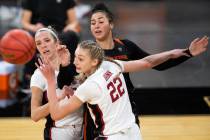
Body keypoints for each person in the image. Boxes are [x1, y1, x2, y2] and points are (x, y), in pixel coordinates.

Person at [36, 39, 208, 139]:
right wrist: (184, 51)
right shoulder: (111, 64)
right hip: (133, 131)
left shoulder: (89, 87)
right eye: (76, 57)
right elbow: (148, 62)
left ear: (94, 61)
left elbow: (57, 114)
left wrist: (51, 82)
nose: (75, 62)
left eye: (80, 59)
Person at [89, 3, 209, 127]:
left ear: (111, 24)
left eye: (100, 22)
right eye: (93, 23)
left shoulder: (126, 46)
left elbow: (158, 65)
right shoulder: (88, 52)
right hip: (102, 113)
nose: (96, 26)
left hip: (127, 110)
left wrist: (189, 53)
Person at [31, 27, 83, 140]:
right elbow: (35, 115)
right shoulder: (38, 75)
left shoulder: (75, 65)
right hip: (58, 131)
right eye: (38, 43)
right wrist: (58, 98)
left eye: (47, 40)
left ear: (57, 43)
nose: (43, 45)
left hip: (84, 130)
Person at [20, 0, 80, 89]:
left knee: (72, 35)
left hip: (59, 34)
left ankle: (72, 76)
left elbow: (74, 21)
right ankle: (28, 80)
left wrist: (71, 26)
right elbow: (25, 23)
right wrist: (34, 27)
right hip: (39, 32)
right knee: (30, 38)